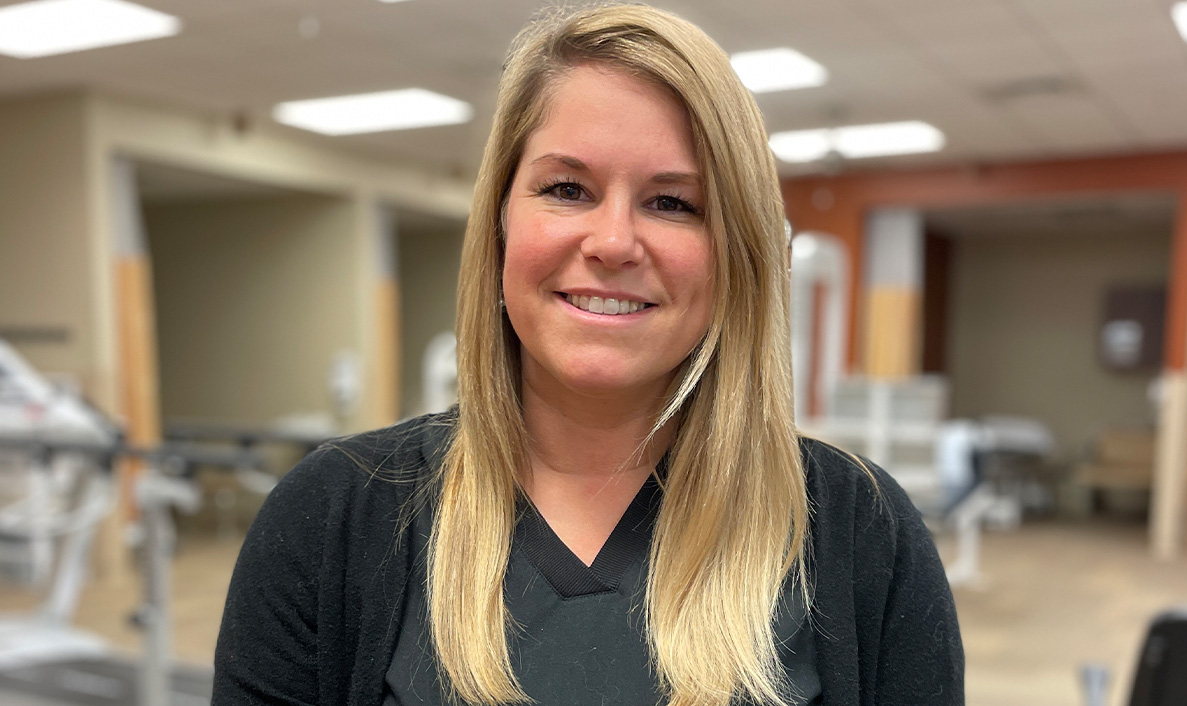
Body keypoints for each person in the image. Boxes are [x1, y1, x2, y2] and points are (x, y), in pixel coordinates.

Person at [211, 4, 964, 706]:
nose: (611, 243)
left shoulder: (862, 534)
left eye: (673, 202)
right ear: (501, 220)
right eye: (567, 188)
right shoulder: (331, 519)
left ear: (738, 255)